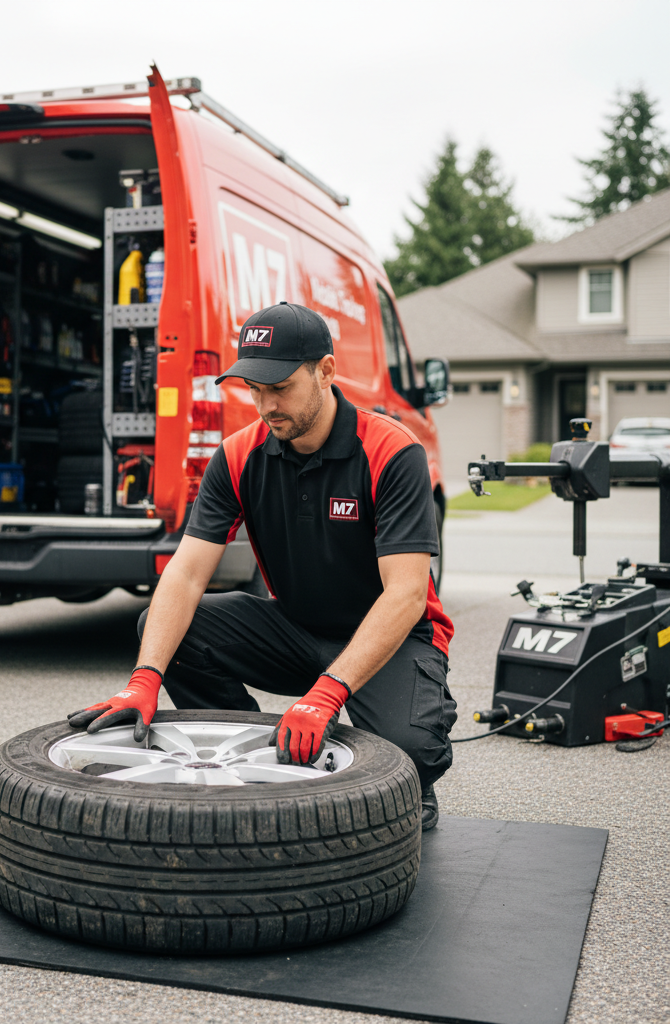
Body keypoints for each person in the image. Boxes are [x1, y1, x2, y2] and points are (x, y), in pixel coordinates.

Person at [68, 301, 456, 830]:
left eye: (280, 387)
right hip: (297, 628)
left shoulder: (392, 451)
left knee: (410, 757)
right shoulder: (236, 455)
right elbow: (184, 574)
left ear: (325, 371)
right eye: (254, 388)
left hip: (395, 636)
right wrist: (144, 679)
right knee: (167, 630)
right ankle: (259, 752)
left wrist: (327, 694)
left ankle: (380, 752)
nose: (266, 404)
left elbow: (406, 595)